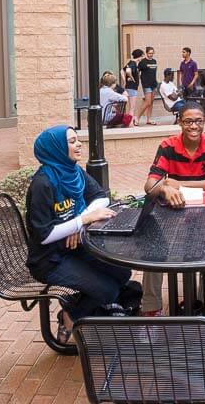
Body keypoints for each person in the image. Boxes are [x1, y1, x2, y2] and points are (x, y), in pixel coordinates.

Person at [25, 125, 133, 344]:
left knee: (123, 273)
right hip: (50, 259)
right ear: (55, 148)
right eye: (72, 141)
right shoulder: (42, 184)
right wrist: (81, 221)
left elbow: (101, 197)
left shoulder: (74, 171)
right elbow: (44, 235)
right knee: (109, 290)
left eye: (77, 140)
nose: (79, 144)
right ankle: (70, 314)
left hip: (75, 247)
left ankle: (88, 306)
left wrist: (78, 224)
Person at [140, 102, 205, 326]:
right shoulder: (168, 146)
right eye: (188, 121)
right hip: (175, 216)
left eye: (198, 121)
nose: (193, 126)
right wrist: (165, 188)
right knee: (152, 246)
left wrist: (181, 184)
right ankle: (151, 308)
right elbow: (150, 184)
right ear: (179, 122)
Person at [136, 46, 159, 125]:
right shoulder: (143, 62)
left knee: (151, 102)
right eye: (149, 53)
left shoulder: (154, 61)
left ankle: (148, 119)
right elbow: (137, 72)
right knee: (147, 102)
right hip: (146, 84)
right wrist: (140, 79)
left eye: (152, 53)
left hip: (153, 84)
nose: (151, 55)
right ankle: (137, 118)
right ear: (146, 53)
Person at [122, 49, 144, 125]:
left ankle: (129, 122)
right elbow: (127, 71)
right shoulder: (133, 64)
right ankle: (130, 123)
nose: (142, 58)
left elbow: (122, 71)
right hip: (132, 87)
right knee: (132, 107)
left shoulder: (131, 62)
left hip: (129, 87)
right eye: (142, 56)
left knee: (130, 107)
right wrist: (132, 78)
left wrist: (125, 80)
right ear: (139, 56)